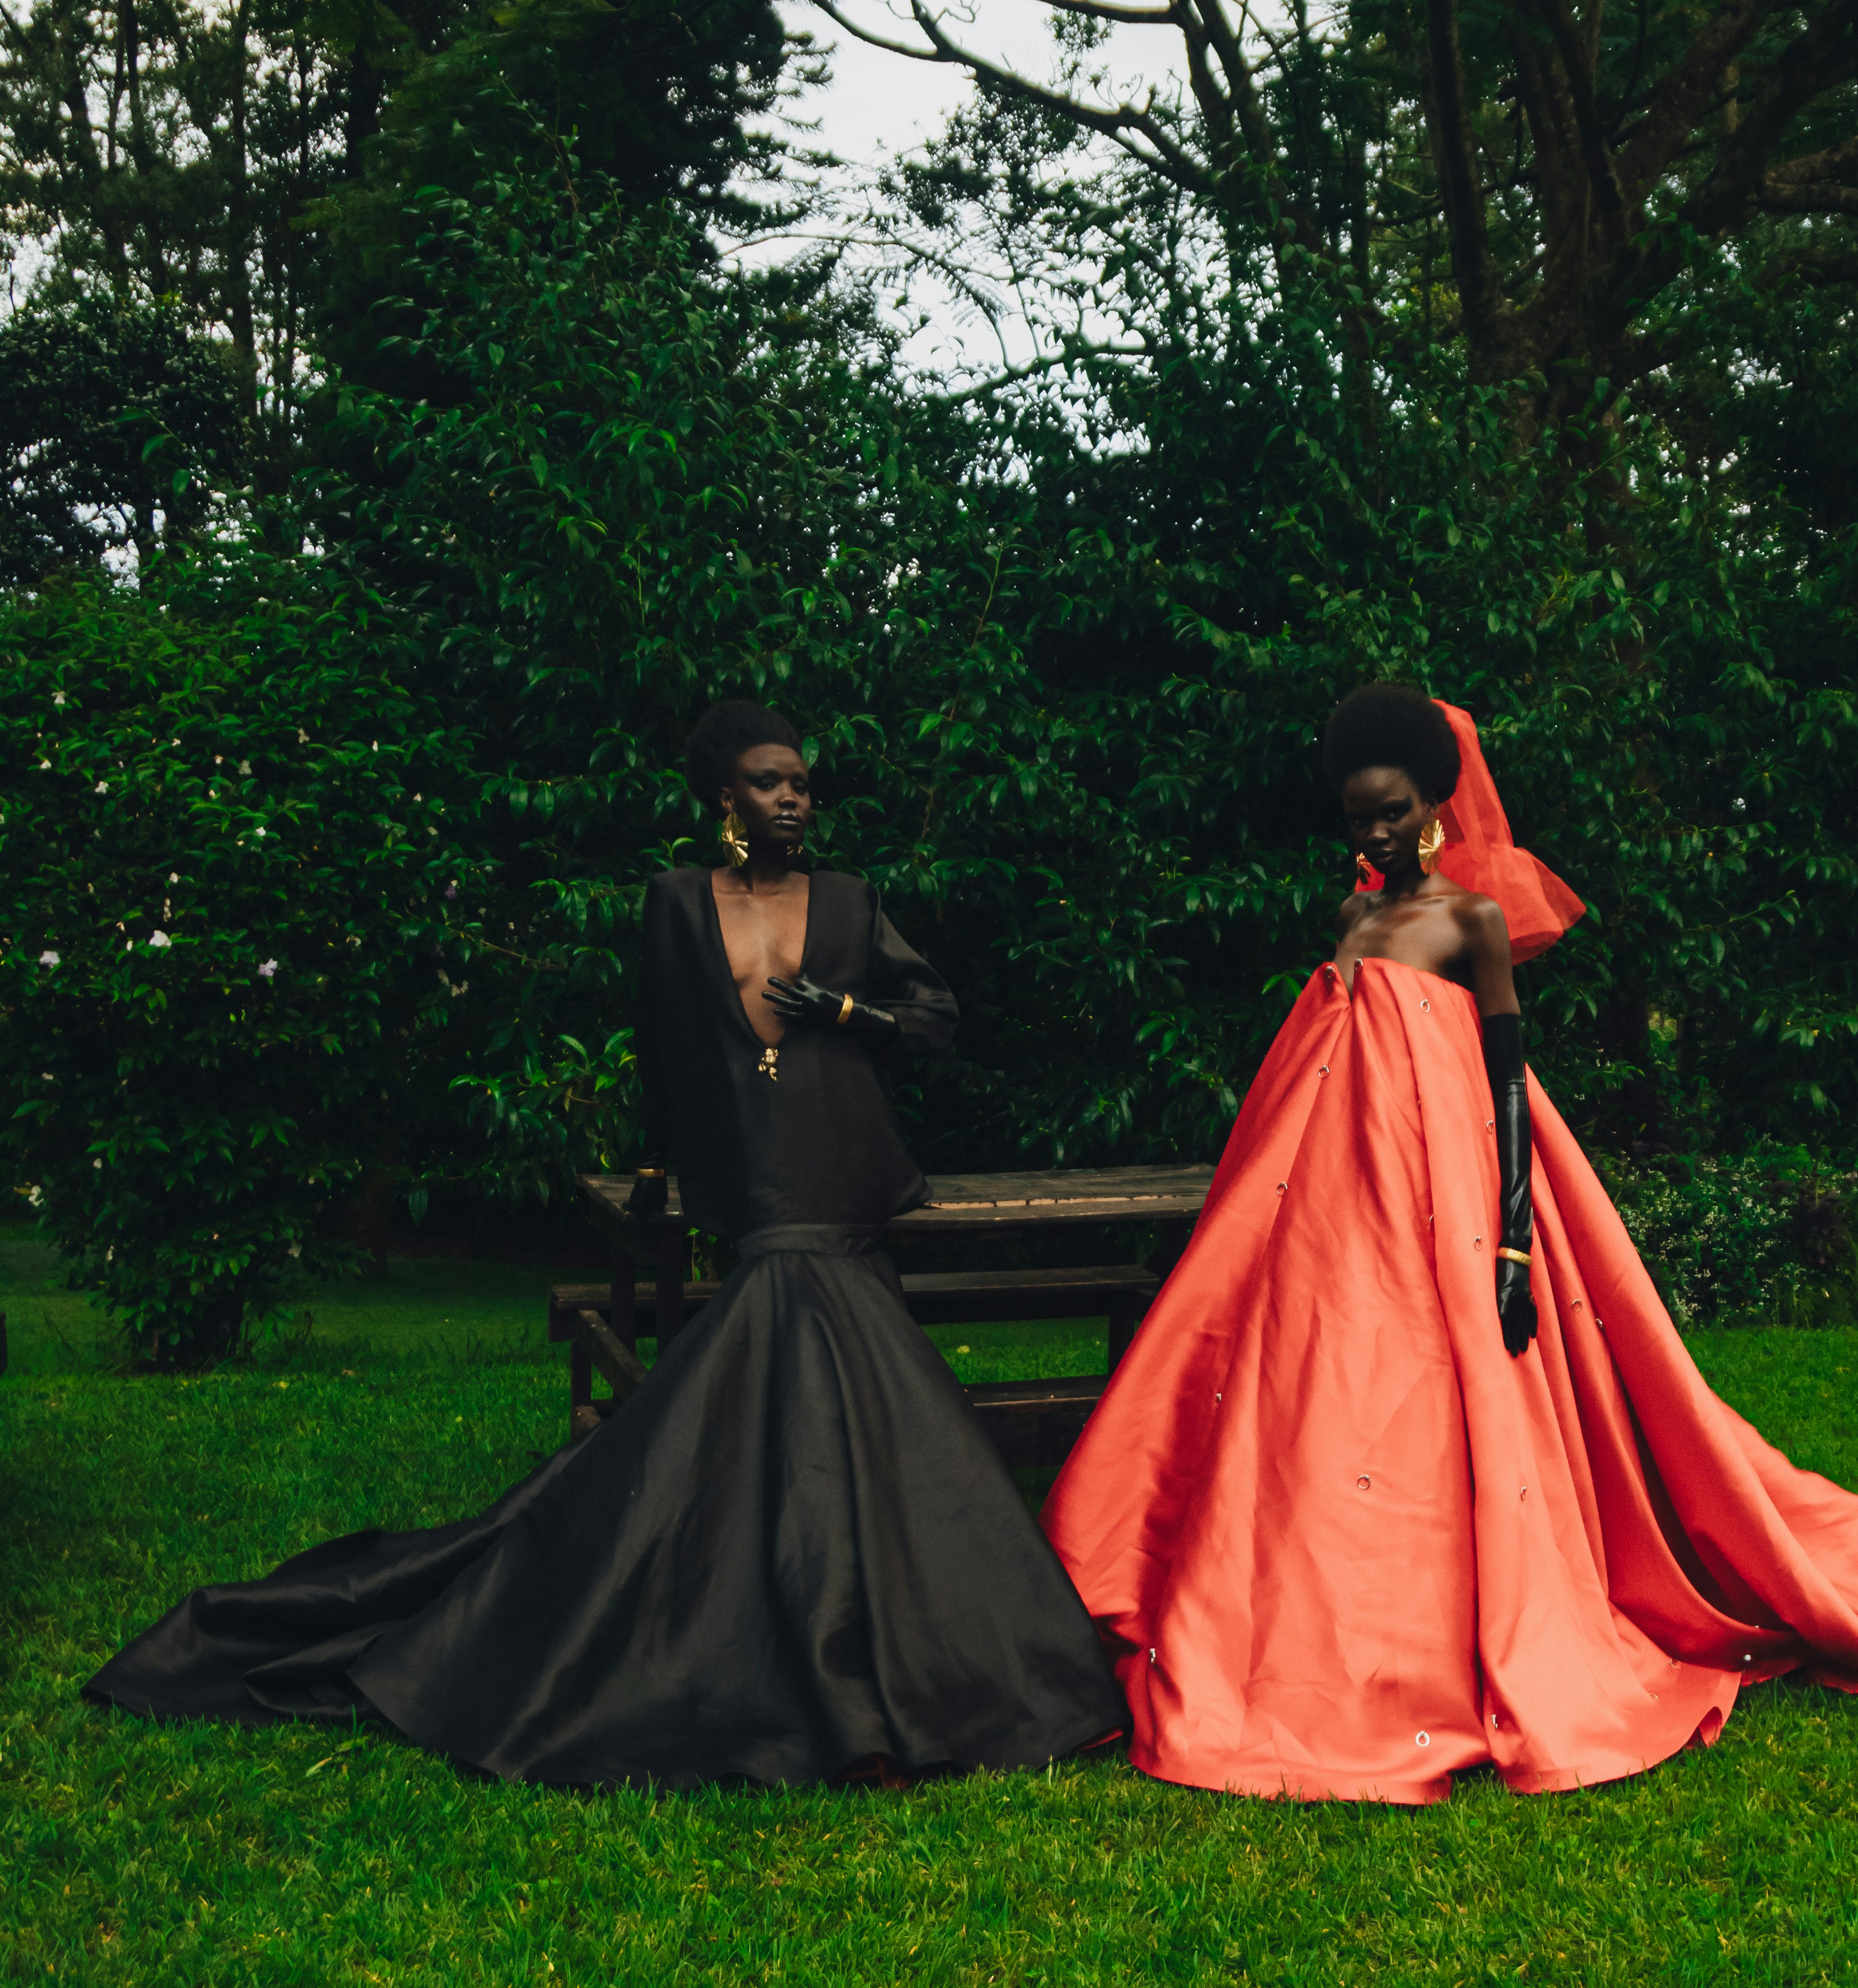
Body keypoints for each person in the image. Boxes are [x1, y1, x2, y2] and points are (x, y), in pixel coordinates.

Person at [1038, 685, 1858, 1805]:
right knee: (1322, 1395)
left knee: (1448, 1400)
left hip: (1450, 1191)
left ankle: (1458, 1631)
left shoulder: (1468, 920)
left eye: (1396, 812)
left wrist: (1510, 1242)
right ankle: (1314, 1627)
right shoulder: (1355, 913)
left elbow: (1503, 1084)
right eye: (1361, 818)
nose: (1381, 834)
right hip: (1334, 1203)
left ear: (1438, 806)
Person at [86, 703, 1123, 1790]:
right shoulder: (676, 906)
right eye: (771, 783)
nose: (794, 800)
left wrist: (846, 1011)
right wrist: (683, 1176)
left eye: (804, 785)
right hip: (751, 1179)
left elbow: (937, 1021)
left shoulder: (854, 903)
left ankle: (921, 1664)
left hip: (841, 1161)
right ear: (726, 799)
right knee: (788, 1352)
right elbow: (668, 1055)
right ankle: (786, 1646)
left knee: (839, 1364)